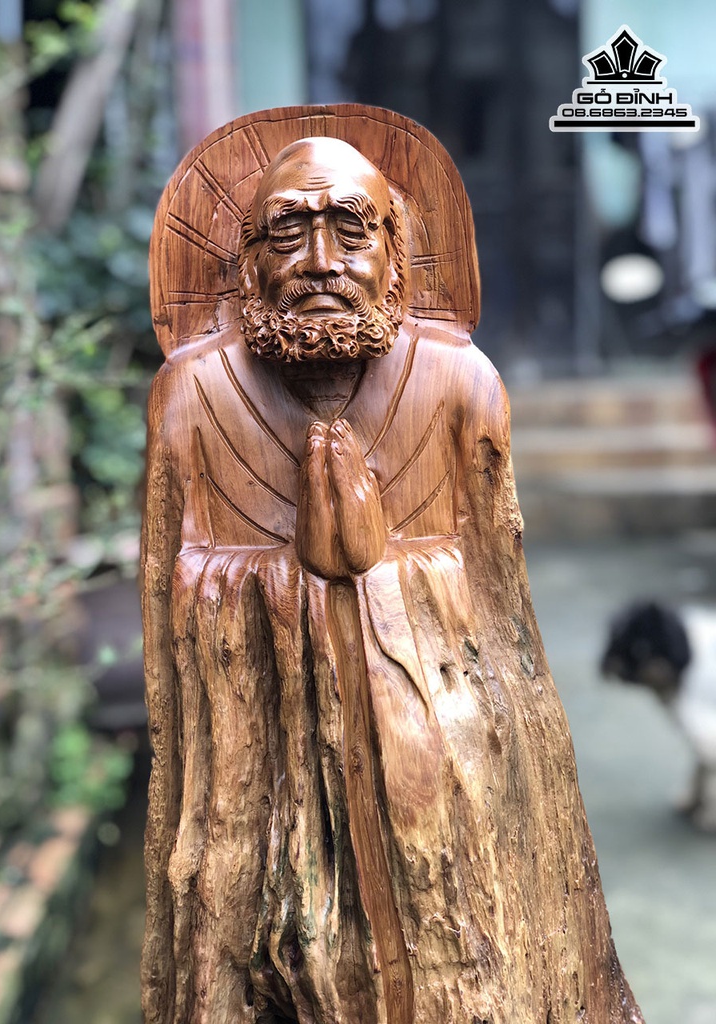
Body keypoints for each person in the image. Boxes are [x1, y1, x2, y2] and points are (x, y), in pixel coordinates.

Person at [142, 120, 643, 1024]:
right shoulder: (194, 392)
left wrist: (382, 568)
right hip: (267, 787)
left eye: (351, 229)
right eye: (286, 233)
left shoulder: (460, 383)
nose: (320, 262)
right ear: (245, 267)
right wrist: (289, 573)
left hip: (442, 757)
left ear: (398, 259)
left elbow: (503, 605)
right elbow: (168, 586)